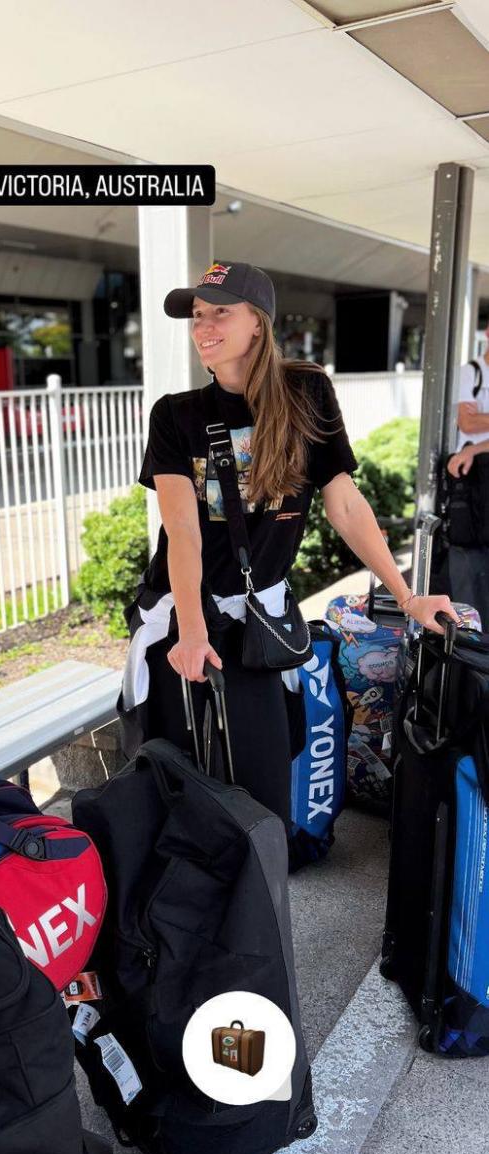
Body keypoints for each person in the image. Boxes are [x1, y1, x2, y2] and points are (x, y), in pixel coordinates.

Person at [118, 261, 461, 825]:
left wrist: (406, 597)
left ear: (259, 322)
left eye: (219, 312)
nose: (203, 326)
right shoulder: (176, 415)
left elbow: (345, 504)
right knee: (170, 786)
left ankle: (261, 905)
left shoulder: (307, 394)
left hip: (260, 623)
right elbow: (181, 529)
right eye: (197, 316)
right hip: (186, 616)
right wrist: (194, 631)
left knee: (265, 787)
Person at [443, 326, 489, 626]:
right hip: (472, 482)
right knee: (466, 561)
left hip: (474, 460)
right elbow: (467, 423)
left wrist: (475, 448)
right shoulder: (471, 372)